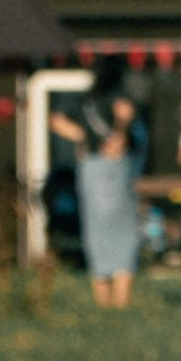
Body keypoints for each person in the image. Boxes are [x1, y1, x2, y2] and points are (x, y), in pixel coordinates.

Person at [50, 62, 145, 308]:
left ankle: (102, 301)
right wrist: (119, 132)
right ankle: (121, 300)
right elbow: (123, 126)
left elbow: (57, 121)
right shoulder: (120, 97)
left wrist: (83, 137)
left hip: (89, 169)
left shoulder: (84, 101)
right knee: (124, 230)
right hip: (116, 169)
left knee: (95, 230)